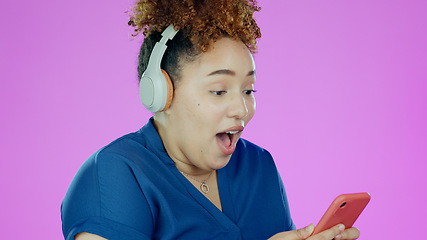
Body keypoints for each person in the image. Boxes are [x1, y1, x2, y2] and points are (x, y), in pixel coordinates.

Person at [61, 0, 361, 239]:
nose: (242, 109)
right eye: (219, 91)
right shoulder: (116, 174)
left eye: (248, 89)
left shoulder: (259, 167)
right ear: (161, 93)